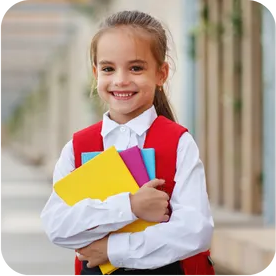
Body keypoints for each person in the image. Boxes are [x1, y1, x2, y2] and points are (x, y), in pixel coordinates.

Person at [40, 10, 215, 276]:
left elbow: (194, 231)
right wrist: (130, 206)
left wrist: (112, 250)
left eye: (136, 68)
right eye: (109, 68)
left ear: (161, 74)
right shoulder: (77, 148)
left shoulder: (179, 143)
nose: (121, 79)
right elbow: (58, 226)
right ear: (96, 72)